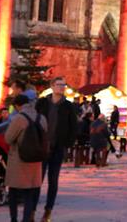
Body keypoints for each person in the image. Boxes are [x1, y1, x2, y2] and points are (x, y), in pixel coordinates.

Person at [34, 76, 79, 222]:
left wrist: (68, 144)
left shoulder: (68, 106)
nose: (62, 87)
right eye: (59, 84)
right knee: (37, 180)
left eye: (64, 85)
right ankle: (32, 209)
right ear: (52, 86)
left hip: (58, 147)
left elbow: (73, 127)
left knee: (53, 180)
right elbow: (34, 121)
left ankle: (48, 210)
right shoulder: (42, 103)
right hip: (42, 147)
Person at [5, 94, 46, 222]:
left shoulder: (19, 118)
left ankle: (14, 219)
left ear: (17, 106)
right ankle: (27, 219)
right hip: (36, 161)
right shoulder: (42, 118)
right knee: (30, 194)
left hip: (19, 160)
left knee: (13, 192)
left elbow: (8, 138)